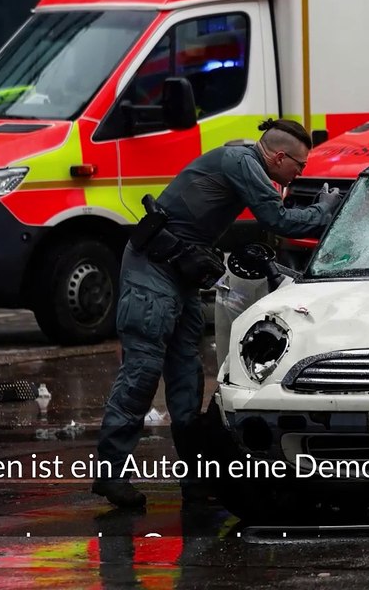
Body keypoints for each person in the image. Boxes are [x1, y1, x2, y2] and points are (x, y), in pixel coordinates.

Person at [91, 118, 343, 509]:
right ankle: (110, 475)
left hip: (175, 273)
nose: (300, 173)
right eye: (299, 166)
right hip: (152, 273)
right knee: (141, 375)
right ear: (278, 156)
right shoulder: (243, 163)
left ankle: (197, 482)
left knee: (188, 381)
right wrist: (324, 210)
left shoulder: (243, 164)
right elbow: (276, 219)